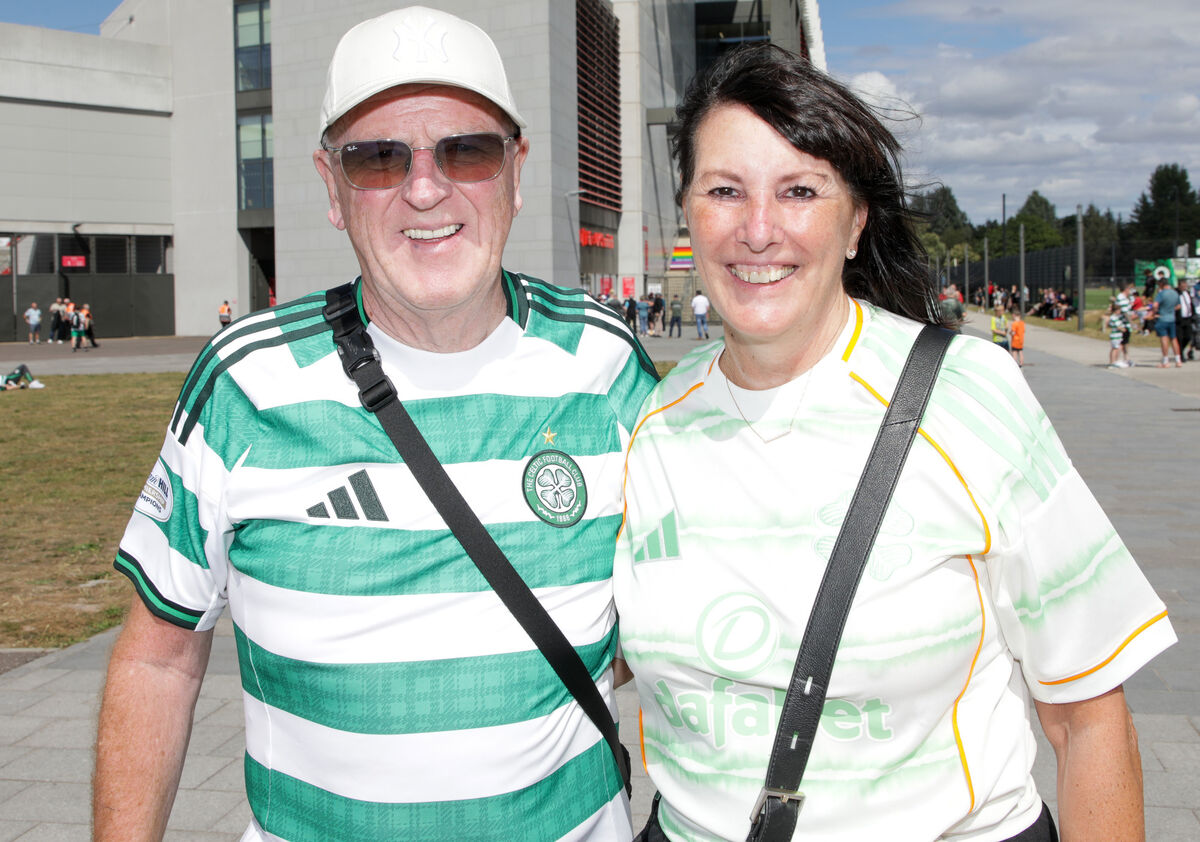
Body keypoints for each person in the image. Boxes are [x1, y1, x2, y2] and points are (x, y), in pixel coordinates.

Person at [93, 8, 656, 842]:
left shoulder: (606, 362)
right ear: (330, 185)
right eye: (378, 158)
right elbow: (157, 657)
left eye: (466, 150)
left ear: (516, 169)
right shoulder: (244, 381)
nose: (425, 190)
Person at [613, 43, 1174, 842]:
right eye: (725, 191)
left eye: (800, 191)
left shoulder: (966, 395)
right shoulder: (650, 421)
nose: (759, 229)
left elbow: (1087, 719)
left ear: (855, 223)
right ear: (687, 212)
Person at [1153, 277, 1183, 368]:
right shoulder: (1175, 293)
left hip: (1163, 317)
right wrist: (1171, 309)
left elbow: (1155, 305)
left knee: (1164, 339)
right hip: (1172, 318)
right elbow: (1179, 306)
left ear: (1161, 284)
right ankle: (1178, 360)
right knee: (1174, 339)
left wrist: (1156, 312)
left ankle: (1165, 360)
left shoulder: (1161, 294)